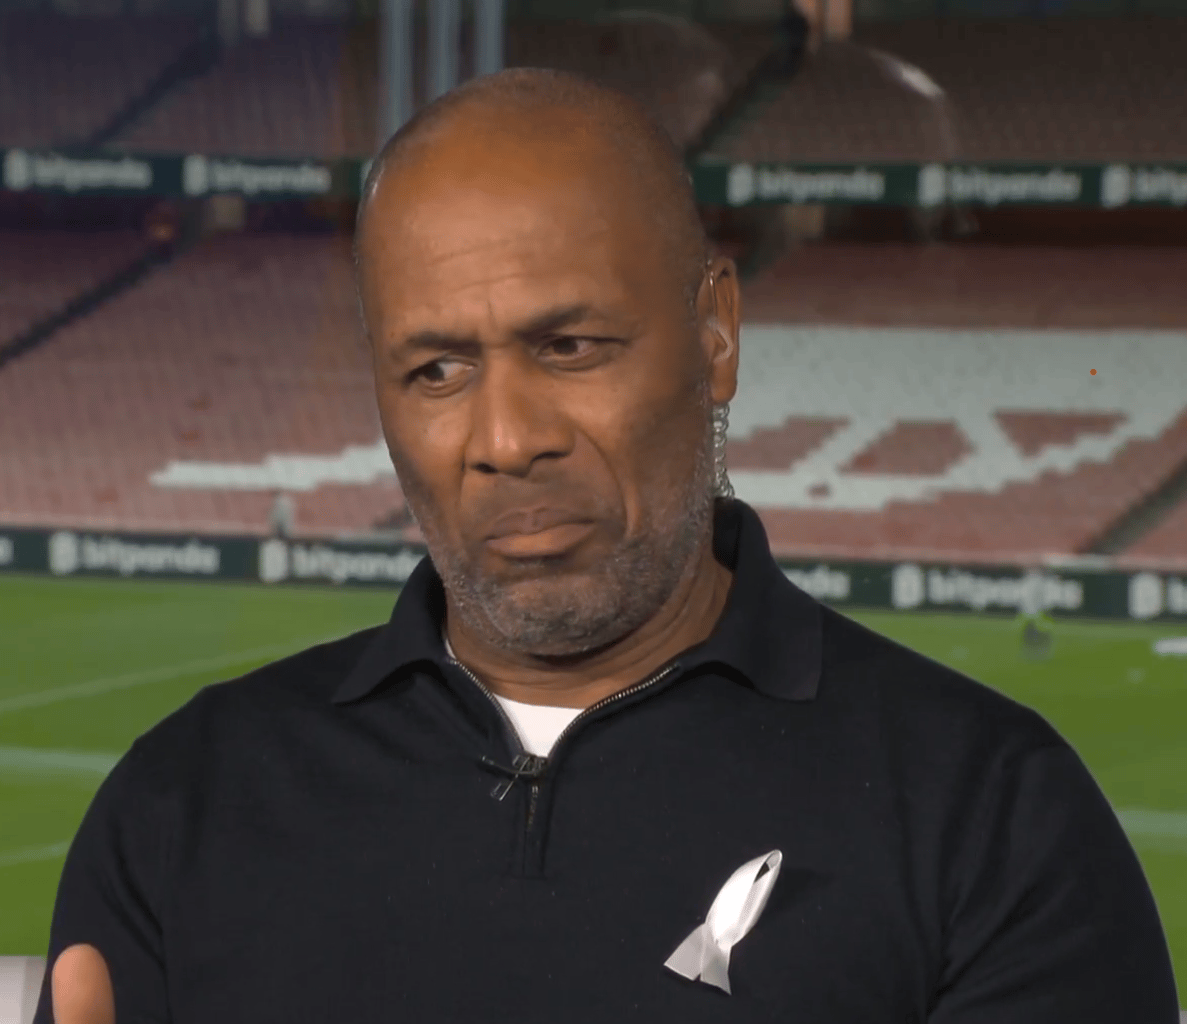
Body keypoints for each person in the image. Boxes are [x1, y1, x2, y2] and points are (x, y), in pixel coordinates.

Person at [39, 68, 1180, 1023]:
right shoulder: (182, 803)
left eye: (570, 346)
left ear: (714, 333)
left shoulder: (989, 816)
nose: (506, 439)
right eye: (436, 369)